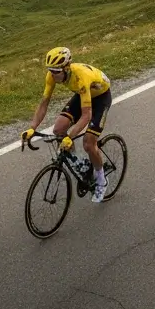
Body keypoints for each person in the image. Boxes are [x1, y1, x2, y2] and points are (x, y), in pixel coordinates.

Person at [22, 47, 113, 203]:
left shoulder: (80, 77)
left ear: (66, 68)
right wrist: (32, 128)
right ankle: (79, 162)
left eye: (56, 71)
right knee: (58, 129)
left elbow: (86, 115)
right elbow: (44, 104)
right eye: (50, 70)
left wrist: (70, 137)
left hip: (101, 97)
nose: (52, 74)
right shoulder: (51, 76)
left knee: (89, 143)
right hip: (82, 95)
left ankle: (101, 180)